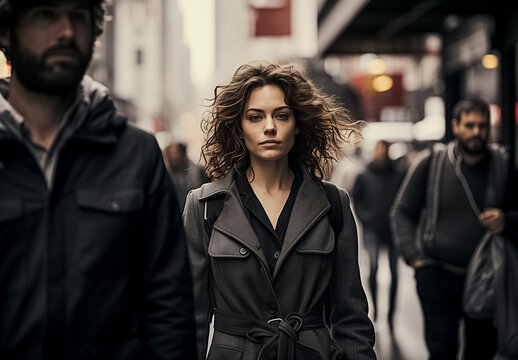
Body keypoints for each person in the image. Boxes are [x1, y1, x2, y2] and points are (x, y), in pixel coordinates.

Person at [0, 1, 196, 358]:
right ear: (5, 30)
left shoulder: (137, 155)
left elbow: (168, 306)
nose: (66, 32)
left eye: (79, 17)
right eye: (45, 13)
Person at [183, 62, 376, 360]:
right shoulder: (204, 206)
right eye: (255, 117)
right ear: (239, 126)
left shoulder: (333, 204)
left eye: (282, 115)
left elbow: (351, 318)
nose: (269, 126)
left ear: (297, 124)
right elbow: (189, 318)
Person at [390, 97, 518, 360]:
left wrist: (506, 220)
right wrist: (414, 258)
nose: (476, 132)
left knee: (480, 352)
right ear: (456, 126)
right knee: (442, 350)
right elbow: (402, 211)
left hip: (487, 277)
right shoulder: (431, 162)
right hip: (437, 274)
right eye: (469, 125)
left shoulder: (503, 165)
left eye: (482, 126)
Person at [352, 140, 404, 330]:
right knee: (372, 269)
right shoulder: (365, 175)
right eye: (379, 149)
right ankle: (375, 310)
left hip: (392, 231)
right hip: (372, 229)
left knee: (394, 272)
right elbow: (356, 199)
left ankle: (391, 314)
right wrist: (366, 218)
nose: (381, 153)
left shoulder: (399, 174)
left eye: (384, 149)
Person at [164, 141, 209, 211]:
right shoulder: (166, 175)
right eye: (171, 155)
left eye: (176, 154)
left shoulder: (199, 171)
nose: (174, 157)